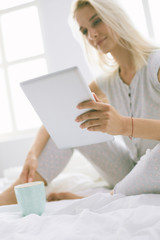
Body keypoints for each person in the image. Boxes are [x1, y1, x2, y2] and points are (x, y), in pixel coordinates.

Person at [1, 0, 160, 205]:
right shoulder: (107, 82)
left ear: (115, 16)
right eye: (85, 31)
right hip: (130, 170)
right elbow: (59, 117)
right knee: (77, 119)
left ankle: (104, 198)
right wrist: (32, 154)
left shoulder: (155, 65)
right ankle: (10, 196)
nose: (92, 35)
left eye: (97, 21)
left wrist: (122, 125)